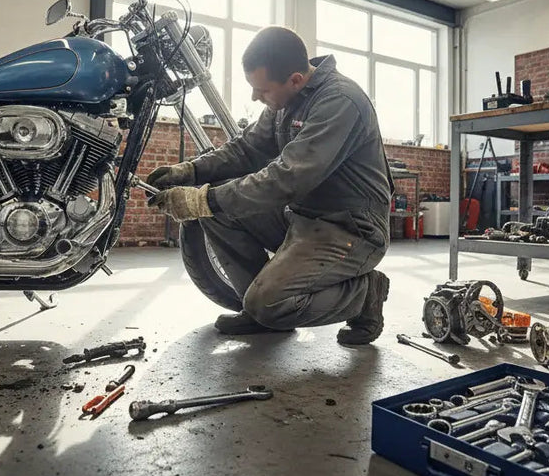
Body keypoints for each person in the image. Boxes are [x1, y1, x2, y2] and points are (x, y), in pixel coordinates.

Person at [147, 26, 393, 345]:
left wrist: (202, 200)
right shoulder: (286, 101)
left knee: (268, 302)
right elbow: (246, 149)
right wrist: (191, 171)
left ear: (295, 79)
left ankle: (365, 293)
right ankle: (259, 313)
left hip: (351, 228)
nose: (255, 97)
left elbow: (288, 178)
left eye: (262, 91)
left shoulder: (340, 101)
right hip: (302, 217)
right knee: (218, 207)